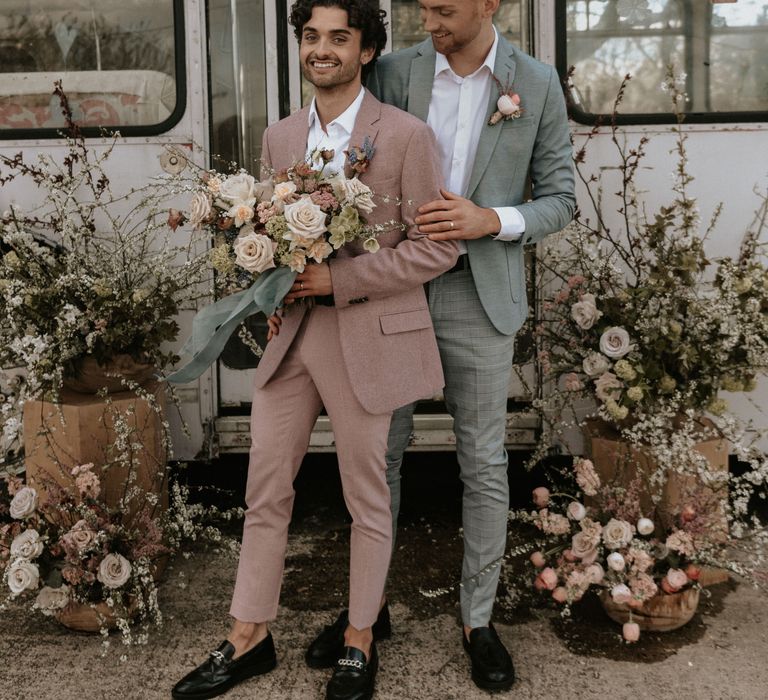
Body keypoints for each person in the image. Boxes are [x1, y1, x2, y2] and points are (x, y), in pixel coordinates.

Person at [171, 2, 458, 699]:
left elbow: (438, 246)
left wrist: (342, 278)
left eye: (339, 38)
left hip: (366, 338)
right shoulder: (277, 138)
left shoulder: (408, 136)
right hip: (292, 339)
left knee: (367, 498)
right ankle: (249, 635)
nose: (321, 49)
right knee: (265, 487)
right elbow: (274, 244)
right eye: (310, 37)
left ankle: (360, 638)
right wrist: (273, 292)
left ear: (365, 52)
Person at [305, 0, 575, 692]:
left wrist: (493, 218)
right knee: (378, 458)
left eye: (444, 9)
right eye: (423, 7)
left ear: (492, 4)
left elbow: (561, 199)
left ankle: (477, 620)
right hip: (390, 289)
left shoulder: (536, 83)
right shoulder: (393, 72)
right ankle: (369, 613)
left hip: (478, 296)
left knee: (483, 462)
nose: (429, 21)